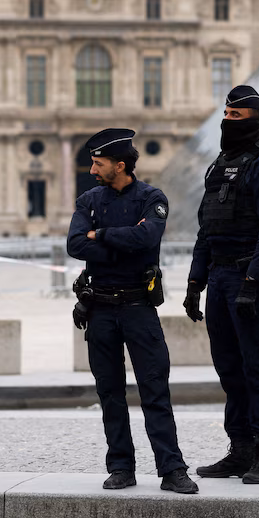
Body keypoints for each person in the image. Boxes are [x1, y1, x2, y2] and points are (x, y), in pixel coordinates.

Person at [67, 128, 198, 495]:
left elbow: (147, 240)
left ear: (120, 165)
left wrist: (100, 235)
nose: (92, 169)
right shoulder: (89, 200)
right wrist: (119, 239)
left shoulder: (151, 197)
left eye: (98, 163)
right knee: (109, 393)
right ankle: (121, 466)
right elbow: (75, 244)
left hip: (139, 307)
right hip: (101, 308)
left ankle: (172, 468)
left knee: (155, 390)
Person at [184, 85, 259, 484]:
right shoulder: (219, 163)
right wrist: (196, 282)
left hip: (251, 278)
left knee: (257, 367)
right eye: (225, 116)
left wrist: (252, 281)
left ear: (254, 118)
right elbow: (206, 227)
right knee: (229, 368)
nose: (227, 123)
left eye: (236, 117)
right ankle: (240, 447)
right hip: (219, 276)